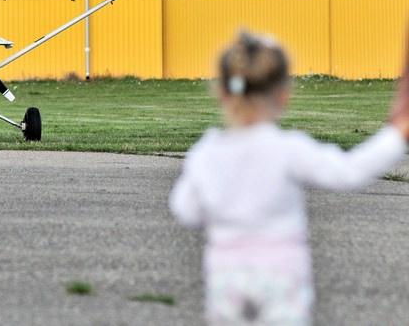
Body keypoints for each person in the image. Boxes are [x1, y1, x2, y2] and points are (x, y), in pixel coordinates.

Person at [169, 31, 409, 325]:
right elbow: (348, 172)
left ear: (222, 94)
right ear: (284, 97)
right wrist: (396, 135)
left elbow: (186, 210)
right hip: (282, 275)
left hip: (226, 279)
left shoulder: (205, 153)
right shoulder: (288, 149)